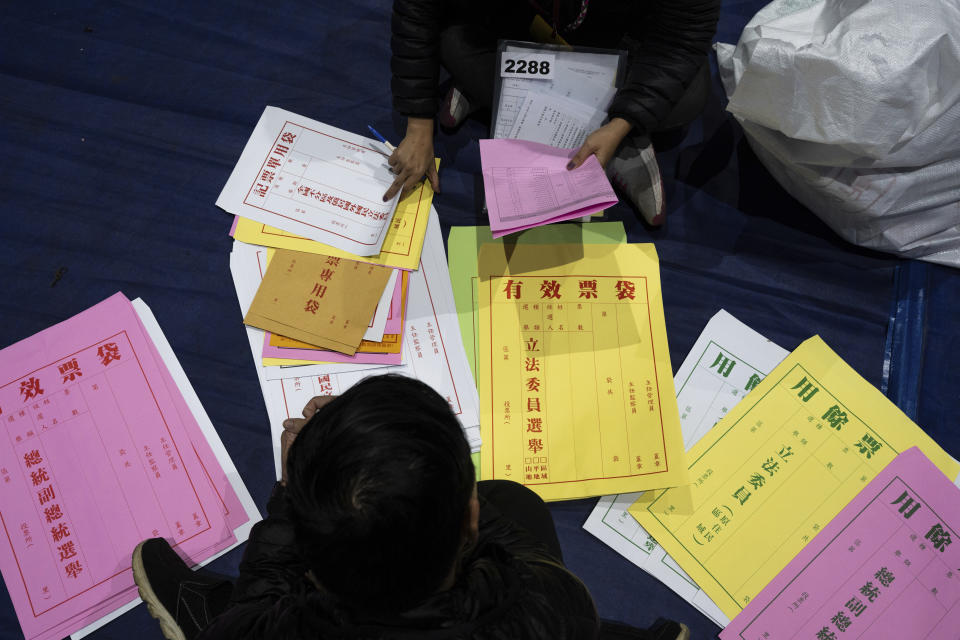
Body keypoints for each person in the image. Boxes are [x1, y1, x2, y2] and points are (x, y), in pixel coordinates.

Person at [131, 375, 689, 639]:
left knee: (237, 620)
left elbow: (263, 598)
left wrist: (291, 496)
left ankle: (201, 623)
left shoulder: (284, 629)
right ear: (469, 521)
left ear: (312, 565)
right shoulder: (545, 605)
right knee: (517, 503)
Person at [384, 0, 722, 225]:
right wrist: (418, 124)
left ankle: (624, 137)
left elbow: (681, 38)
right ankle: (499, 85)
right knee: (455, 42)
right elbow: (419, 9)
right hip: (512, 26)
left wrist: (622, 124)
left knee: (687, 95)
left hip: (620, 45)